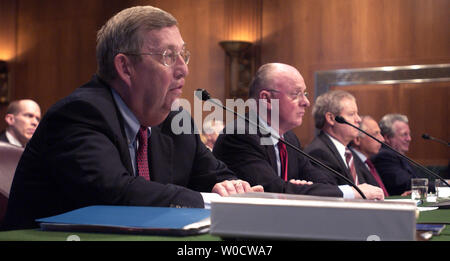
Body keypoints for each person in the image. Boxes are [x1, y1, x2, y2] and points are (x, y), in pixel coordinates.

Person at [3, 6, 262, 230]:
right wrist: (211, 200)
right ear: (125, 67)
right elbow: (115, 193)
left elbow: (216, 175)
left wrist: (232, 188)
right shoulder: (79, 114)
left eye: (183, 55)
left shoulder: (174, 120)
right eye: (169, 57)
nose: (184, 69)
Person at [213, 63, 384, 200]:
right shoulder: (240, 135)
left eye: (306, 94)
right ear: (267, 99)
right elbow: (273, 190)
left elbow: (324, 180)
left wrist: (301, 188)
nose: (306, 102)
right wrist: (351, 192)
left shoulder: (289, 138)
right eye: (296, 94)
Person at [305, 90, 381, 188]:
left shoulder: (350, 154)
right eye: (351, 114)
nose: (358, 119)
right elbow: (330, 195)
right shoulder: (318, 153)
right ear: (331, 118)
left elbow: (373, 188)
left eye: (357, 114)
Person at [372, 113, 418, 195]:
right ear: (387, 138)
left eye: (409, 134)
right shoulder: (384, 156)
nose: (409, 139)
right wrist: (440, 186)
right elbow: (405, 184)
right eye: (404, 134)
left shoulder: (399, 156)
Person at [349, 115, 389, 197]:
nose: (382, 139)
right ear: (357, 139)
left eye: (380, 133)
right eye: (376, 134)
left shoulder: (368, 162)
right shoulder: (351, 163)